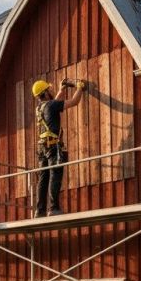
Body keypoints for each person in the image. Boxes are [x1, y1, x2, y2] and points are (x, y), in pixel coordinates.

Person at [32, 77, 87, 217]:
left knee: (43, 177)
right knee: (55, 174)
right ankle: (54, 208)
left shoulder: (40, 108)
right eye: (48, 89)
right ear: (44, 93)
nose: (51, 90)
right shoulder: (51, 105)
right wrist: (79, 88)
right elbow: (74, 102)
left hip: (42, 146)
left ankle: (40, 210)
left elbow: (54, 103)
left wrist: (62, 90)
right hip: (52, 145)